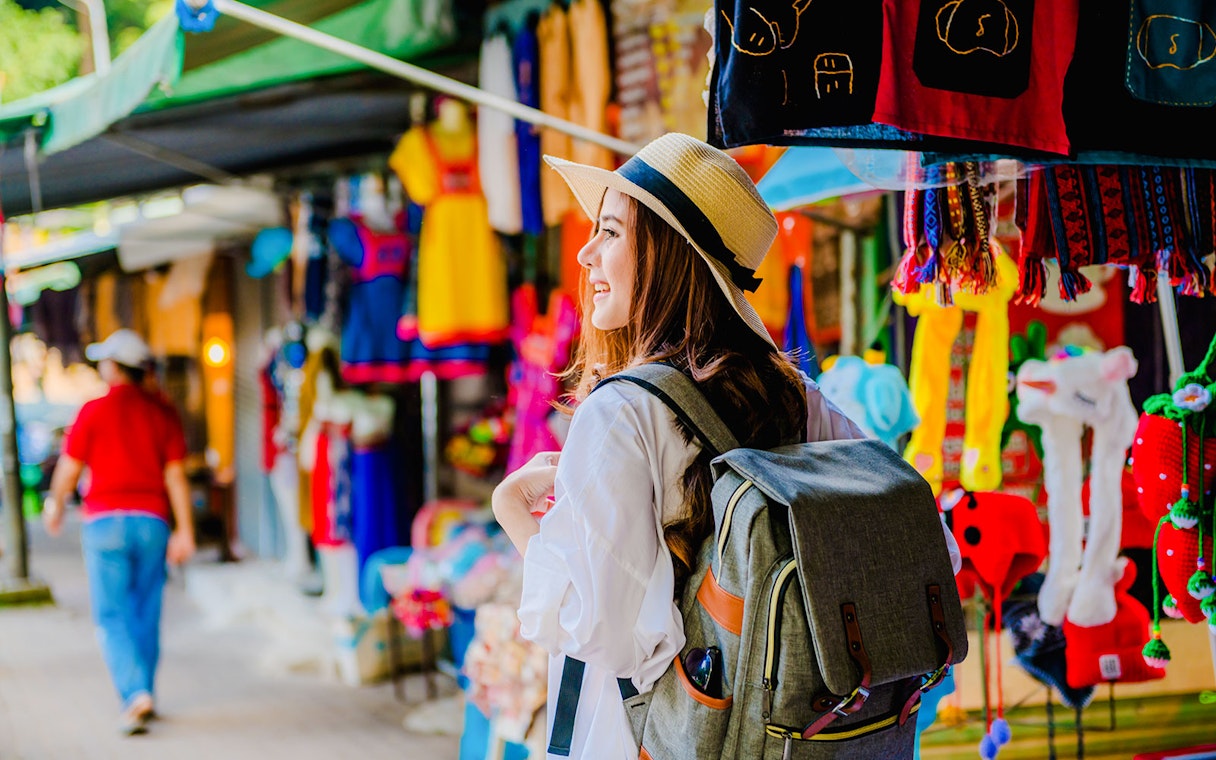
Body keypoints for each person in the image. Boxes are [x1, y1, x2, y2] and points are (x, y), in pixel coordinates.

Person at [491, 133, 881, 759]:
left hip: (664, 739)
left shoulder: (620, 414)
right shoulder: (798, 397)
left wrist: (514, 513)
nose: (587, 253)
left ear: (669, 254)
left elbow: (606, 635)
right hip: (796, 734)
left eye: (611, 232)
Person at [43, 329, 196, 736]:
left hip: (105, 523)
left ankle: (134, 694)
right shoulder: (161, 411)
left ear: (113, 367)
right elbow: (176, 477)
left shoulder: (93, 410)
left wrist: (55, 506)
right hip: (153, 523)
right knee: (146, 611)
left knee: (112, 615)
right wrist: (185, 531)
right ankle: (143, 689)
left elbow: (69, 470)